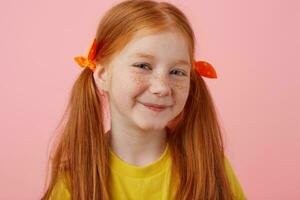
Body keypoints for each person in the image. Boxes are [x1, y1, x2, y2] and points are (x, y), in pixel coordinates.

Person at [41, 0, 247, 199]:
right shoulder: (73, 181)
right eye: (143, 66)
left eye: (176, 71)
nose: (161, 87)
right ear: (103, 74)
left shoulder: (210, 167)